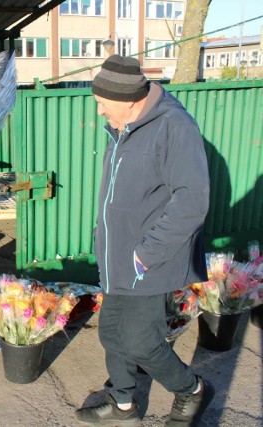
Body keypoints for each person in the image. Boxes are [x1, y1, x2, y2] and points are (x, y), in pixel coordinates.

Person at [75, 55, 213, 427]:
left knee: (139, 342)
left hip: (148, 259)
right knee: (112, 333)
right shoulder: (125, 127)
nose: (100, 110)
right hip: (118, 255)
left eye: (103, 103)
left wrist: (146, 253)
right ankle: (122, 405)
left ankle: (192, 389)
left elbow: (192, 200)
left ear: (127, 98)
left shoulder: (173, 126)